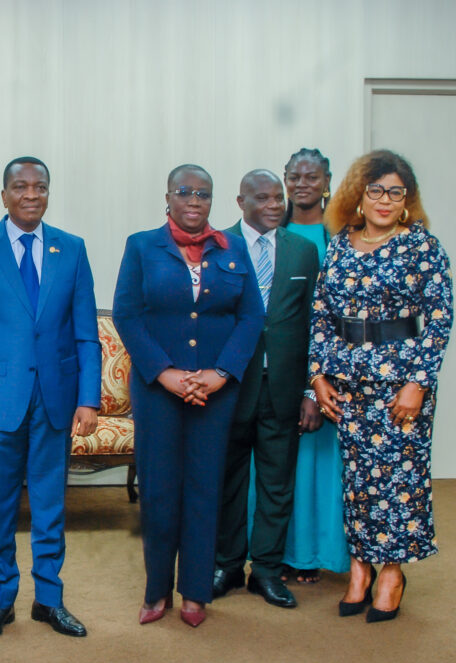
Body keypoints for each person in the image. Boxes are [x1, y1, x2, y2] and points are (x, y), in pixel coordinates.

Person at [0, 156, 100, 641]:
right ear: (4, 195)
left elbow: (85, 336)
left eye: (40, 187)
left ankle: (50, 600)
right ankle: (0, 601)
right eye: (20, 187)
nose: (31, 194)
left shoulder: (71, 249)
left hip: (56, 400)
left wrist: (89, 398)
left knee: (50, 504)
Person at [113, 164, 263, 628]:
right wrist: (166, 373)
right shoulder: (142, 246)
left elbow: (251, 317)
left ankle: (196, 592)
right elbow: (127, 314)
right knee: (158, 491)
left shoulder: (232, 248)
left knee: (204, 489)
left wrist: (221, 374)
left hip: (215, 393)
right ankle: (157, 590)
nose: (194, 200)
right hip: (159, 391)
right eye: (185, 192)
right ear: (169, 196)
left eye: (203, 193)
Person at [309, 149, 453, 623]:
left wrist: (419, 382)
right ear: (359, 195)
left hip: (399, 385)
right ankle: (360, 568)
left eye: (396, 192)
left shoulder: (423, 247)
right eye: (376, 190)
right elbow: (321, 316)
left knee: (399, 481)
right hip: (347, 382)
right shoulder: (340, 245)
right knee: (358, 483)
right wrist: (317, 377)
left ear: (406, 199)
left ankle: (391, 572)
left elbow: (437, 319)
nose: (385, 200)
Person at [212, 170, 320, 609]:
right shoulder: (218, 246)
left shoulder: (304, 252)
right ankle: (227, 566)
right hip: (231, 388)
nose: (276, 205)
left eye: (279, 197)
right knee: (228, 482)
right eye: (264, 198)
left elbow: (319, 326)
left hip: (285, 388)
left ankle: (269, 572)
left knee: (277, 484)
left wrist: (312, 391)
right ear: (241, 202)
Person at [277, 147, 349, 584]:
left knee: (318, 463)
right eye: (294, 176)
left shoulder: (342, 238)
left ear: (327, 181)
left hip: (328, 371)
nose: (302, 184)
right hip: (276, 371)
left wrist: (317, 383)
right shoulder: (272, 232)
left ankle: (314, 553)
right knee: (276, 465)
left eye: (312, 176)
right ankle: (280, 552)